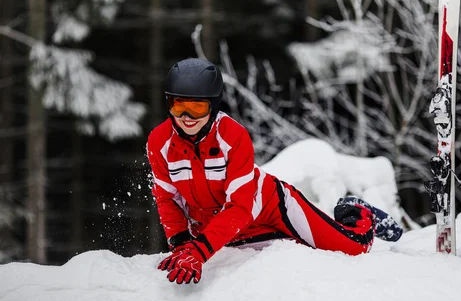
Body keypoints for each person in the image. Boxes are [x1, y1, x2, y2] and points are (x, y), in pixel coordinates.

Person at [146, 58, 403, 285]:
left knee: (352, 251)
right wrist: (181, 247)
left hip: (272, 209)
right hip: (223, 231)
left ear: (212, 106)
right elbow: (167, 199)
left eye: (197, 108)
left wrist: (199, 251)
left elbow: (240, 207)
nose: (186, 117)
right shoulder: (160, 142)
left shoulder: (233, 137)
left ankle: (360, 212)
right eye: (178, 106)